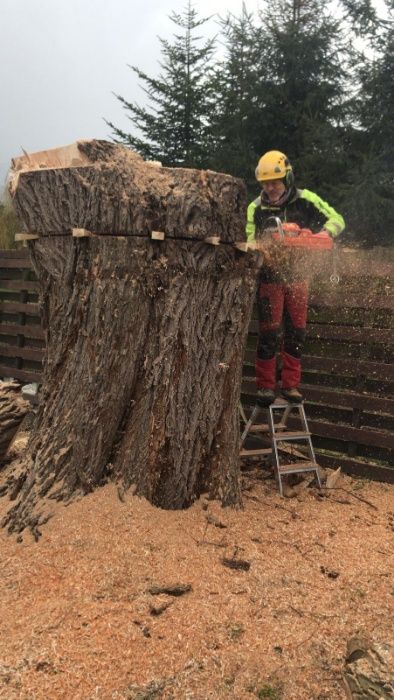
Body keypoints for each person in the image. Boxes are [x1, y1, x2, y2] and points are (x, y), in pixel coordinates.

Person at [246, 150, 345, 406]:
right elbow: (248, 240)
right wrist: (260, 246)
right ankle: (266, 386)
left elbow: (337, 220)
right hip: (269, 278)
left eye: (275, 182)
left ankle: (291, 385)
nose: (270, 188)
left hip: (299, 277)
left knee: (296, 332)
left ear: (287, 178)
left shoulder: (305, 199)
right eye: (266, 184)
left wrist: (324, 234)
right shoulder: (255, 208)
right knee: (268, 333)